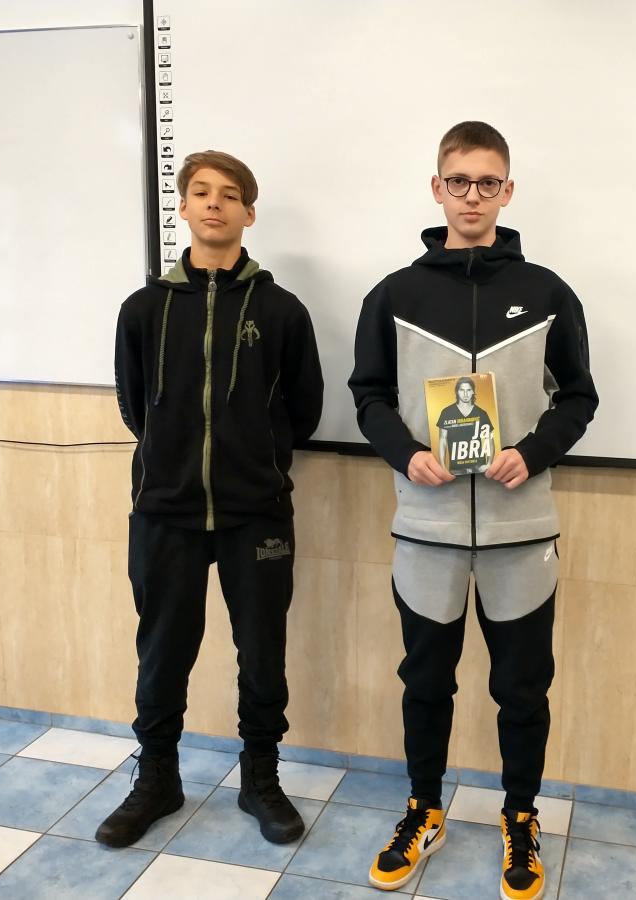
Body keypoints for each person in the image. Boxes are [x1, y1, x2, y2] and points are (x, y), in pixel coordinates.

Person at [349, 122, 597, 899]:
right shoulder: (394, 296)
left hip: (521, 532)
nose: (472, 196)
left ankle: (520, 817)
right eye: (459, 181)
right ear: (437, 188)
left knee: (522, 691)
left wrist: (535, 450)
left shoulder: (547, 294)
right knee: (426, 683)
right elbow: (368, 395)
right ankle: (424, 810)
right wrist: (404, 453)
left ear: (508, 191)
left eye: (488, 183)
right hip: (426, 530)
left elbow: (579, 397)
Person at [99, 150, 323, 848]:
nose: (214, 203)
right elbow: (135, 405)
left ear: (249, 213)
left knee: (262, 652)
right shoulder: (143, 309)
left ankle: (261, 779)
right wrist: (174, 460)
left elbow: (305, 410)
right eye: (201, 192)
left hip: (257, 513)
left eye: (229, 194)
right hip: (164, 511)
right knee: (162, 651)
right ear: (184, 207)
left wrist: (253, 460)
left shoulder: (282, 311)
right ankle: (157, 779)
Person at [436, 376, 495, 474]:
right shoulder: (447, 412)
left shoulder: (481, 413)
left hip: (479, 467)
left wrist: (489, 463)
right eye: (462, 390)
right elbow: (442, 440)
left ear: (473, 391)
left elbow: (489, 439)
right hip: (456, 469)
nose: (465, 394)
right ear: (457, 392)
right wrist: (442, 467)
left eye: (468, 390)